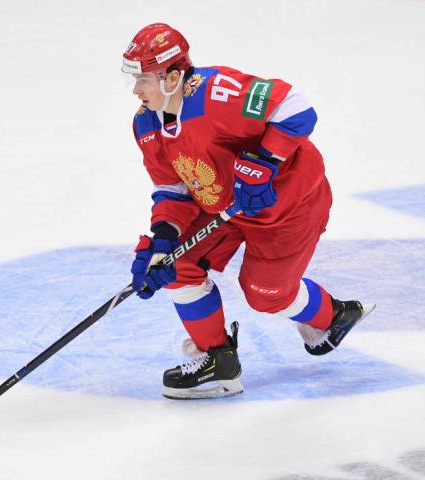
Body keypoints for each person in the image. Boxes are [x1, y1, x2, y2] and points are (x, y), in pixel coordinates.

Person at [123, 23, 374, 400]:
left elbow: (296, 107)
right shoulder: (146, 123)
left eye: (143, 79)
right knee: (176, 264)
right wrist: (162, 245)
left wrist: (263, 162)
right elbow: (172, 190)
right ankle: (216, 359)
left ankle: (334, 316)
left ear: (173, 76)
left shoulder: (218, 93)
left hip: (287, 206)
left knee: (265, 295)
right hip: (223, 203)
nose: (136, 91)